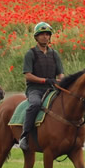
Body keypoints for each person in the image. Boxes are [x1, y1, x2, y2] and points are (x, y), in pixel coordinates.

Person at [19, 22, 64, 151]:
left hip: (52, 88)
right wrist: (45, 81)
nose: (45, 37)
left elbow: (60, 74)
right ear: (36, 37)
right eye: (42, 35)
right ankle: (24, 136)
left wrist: (61, 82)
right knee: (35, 104)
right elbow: (28, 75)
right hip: (35, 90)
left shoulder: (54, 54)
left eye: (47, 35)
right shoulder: (31, 54)